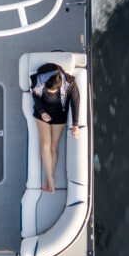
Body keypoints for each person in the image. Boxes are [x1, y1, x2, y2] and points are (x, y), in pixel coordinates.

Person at [29, 63, 73, 194]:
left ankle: (48, 180)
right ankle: (50, 179)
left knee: (54, 146)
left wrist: (75, 124)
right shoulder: (40, 80)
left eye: (53, 91)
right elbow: (36, 96)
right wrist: (42, 112)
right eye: (49, 90)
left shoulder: (67, 83)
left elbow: (75, 101)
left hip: (59, 113)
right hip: (43, 112)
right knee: (45, 145)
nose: (50, 92)